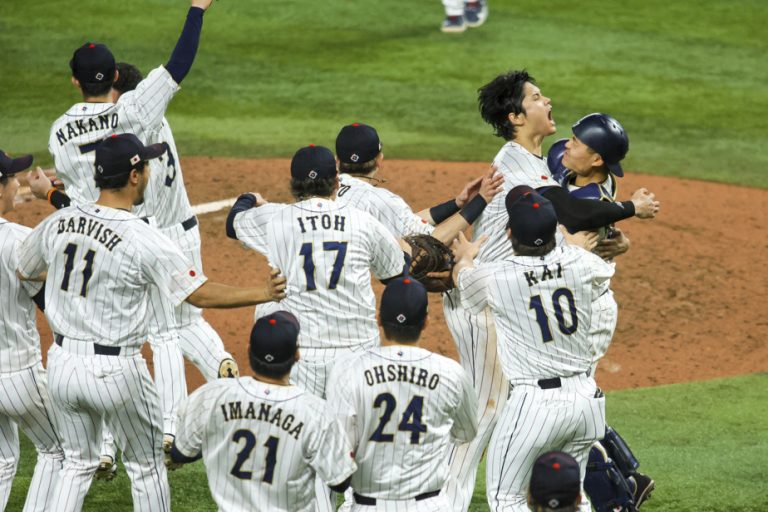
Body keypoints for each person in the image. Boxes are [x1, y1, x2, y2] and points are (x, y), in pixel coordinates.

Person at [15, 134, 286, 512]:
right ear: (133, 176)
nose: (149, 170)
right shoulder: (143, 238)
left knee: (76, 464)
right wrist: (263, 292)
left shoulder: (60, 221)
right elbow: (198, 293)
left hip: (60, 363)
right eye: (146, 165)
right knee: (146, 466)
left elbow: (24, 268)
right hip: (116, 371)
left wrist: (75, 282)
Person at [443, 70, 661, 512]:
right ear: (517, 116)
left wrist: (611, 236)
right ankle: (443, 503)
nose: (548, 102)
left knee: (531, 408)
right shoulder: (517, 163)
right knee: (486, 413)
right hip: (484, 299)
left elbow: (555, 227)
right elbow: (567, 212)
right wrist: (631, 209)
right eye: (537, 97)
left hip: (510, 299)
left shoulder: (538, 161)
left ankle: (597, 485)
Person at [32, 59, 237, 475]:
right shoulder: (144, 132)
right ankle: (219, 363)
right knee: (179, 322)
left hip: (147, 239)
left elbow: (93, 209)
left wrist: (54, 194)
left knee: (145, 331)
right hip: (178, 233)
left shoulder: (128, 141)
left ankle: (157, 431)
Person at [452, 186, 618, 511]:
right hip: (586, 400)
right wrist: (567, 250)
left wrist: (466, 257)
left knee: (506, 498)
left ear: (510, 232)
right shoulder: (583, 263)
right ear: (556, 229)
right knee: (574, 495)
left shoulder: (497, 279)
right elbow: (602, 271)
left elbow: (465, 284)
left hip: (534, 405)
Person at [226, 144, 406, 399]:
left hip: (303, 353)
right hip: (358, 350)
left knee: (305, 429)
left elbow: (232, 224)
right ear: (336, 182)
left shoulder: (275, 218)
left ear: (294, 184)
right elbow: (395, 276)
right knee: (352, 432)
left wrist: (250, 198)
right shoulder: (364, 222)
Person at [170, 311, 357, 511]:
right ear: (297, 354)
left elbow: (180, 453)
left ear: (249, 350)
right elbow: (340, 482)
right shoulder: (315, 412)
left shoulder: (213, 396)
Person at [326, 277, 478, 511]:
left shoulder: (347, 370)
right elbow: (466, 432)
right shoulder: (451, 373)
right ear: (426, 321)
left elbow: (339, 454)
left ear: (378, 318)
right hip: (430, 506)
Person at [0, 150, 64, 512]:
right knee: (59, 451)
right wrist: (58, 199)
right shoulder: (19, 241)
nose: (16, 184)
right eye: (10, 178)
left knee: (3, 460)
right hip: (17, 375)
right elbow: (82, 247)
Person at [334, 122, 504, 245]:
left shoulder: (320, 189)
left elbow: (402, 220)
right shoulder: (380, 200)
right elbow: (437, 239)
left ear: (337, 161)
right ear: (379, 160)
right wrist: (481, 199)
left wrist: (457, 203)